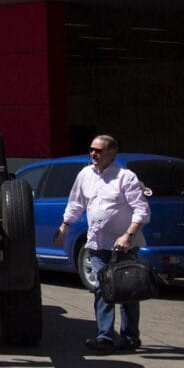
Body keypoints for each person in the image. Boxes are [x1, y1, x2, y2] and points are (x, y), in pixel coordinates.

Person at [54, 134, 151, 353]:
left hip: (124, 244)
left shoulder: (125, 177)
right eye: (91, 149)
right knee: (102, 288)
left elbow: (142, 210)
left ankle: (129, 338)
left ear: (111, 153)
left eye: (98, 150)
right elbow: (76, 203)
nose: (93, 154)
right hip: (97, 244)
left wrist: (128, 235)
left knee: (127, 290)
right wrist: (64, 225)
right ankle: (105, 337)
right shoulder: (85, 174)